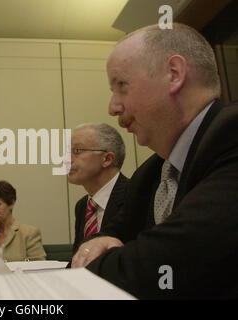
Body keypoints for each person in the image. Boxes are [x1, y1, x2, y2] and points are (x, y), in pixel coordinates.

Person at [72, 23, 238, 299]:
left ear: (173, 74)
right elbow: (91, 251)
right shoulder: (151, 174)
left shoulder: (232, 135)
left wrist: (116, 257)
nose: (113, 107)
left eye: (122, 86)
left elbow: (164, 263)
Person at [68, 123, 129, 255]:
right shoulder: (82, 205)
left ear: (107, 159)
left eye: (77, 151)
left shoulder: (135, 195)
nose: (67, 159)